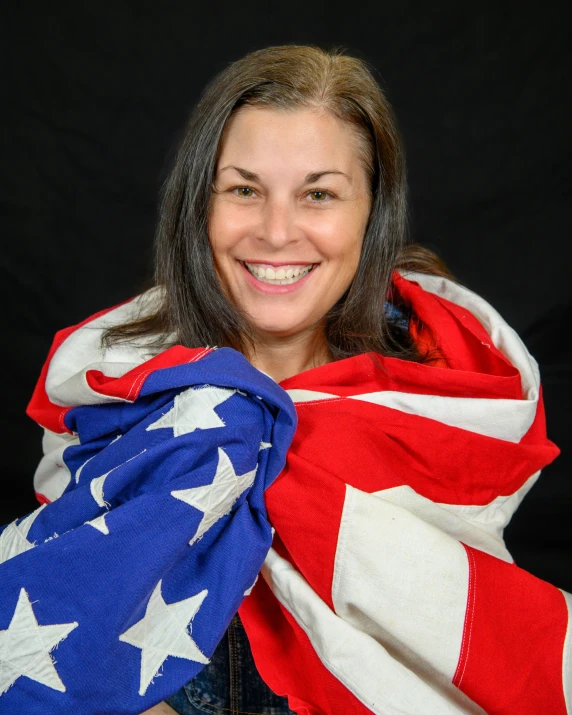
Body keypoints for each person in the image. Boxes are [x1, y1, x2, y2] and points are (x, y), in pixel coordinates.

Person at [3, 44, 569, 715]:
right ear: (199, 206)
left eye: (319, 194)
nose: (276, 231)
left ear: (372, 211)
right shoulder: (113, 390)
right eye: (244, 189)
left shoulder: (446, 408)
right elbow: (52, 645)